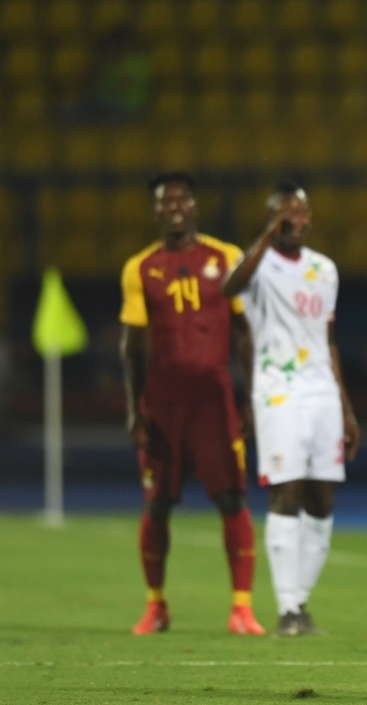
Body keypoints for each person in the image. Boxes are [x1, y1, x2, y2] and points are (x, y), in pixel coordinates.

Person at [120, 171, 265, 636]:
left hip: (214, 397)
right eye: (166, 201)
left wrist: (251, 397)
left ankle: (241, 608)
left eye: (182, 199)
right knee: (158, 503)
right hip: (162, 401)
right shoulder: (140, 268)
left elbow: (244, 332)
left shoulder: (225, 259)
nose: (175, 207)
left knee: (230, 497)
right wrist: (133, 410)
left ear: (195, 206)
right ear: (156, 210)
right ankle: (156, 605)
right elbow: (133, 346)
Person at [222, 181, 360, 637]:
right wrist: (265, 239)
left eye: (302, 214)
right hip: (277, 391)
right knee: (287, 492)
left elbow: (329, 341)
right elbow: (228, 288)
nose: (296, 222)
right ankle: (286, 610)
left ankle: (300, 603)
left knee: (323, 498)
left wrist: (346, 408)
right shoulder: (258, 266)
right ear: (271, 220)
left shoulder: (324, 270)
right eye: (286, 215)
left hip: (321, 392)